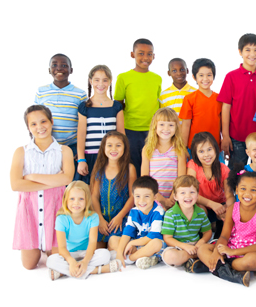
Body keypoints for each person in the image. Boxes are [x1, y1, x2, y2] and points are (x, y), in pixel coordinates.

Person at [11, 105, 74, 270]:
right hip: (30, 213)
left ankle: (48, 247)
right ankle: (39, 246)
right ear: (29, 128)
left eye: (43, 121)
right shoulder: (21, 152)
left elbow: (67, 178)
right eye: (33, 124)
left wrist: (31, 177)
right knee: (29, 265)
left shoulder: (64, 151)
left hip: (55, 212)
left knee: (55, 263)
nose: (39, 127)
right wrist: (55, 180)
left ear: (51, 122)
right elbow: (16, 184)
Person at [196, 164, 256, 286]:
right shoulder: (232, 208)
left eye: (253, 190)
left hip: (253, 249)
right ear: (236, 190)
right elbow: (224, 236)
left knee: (254, 261)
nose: (247, 194)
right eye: (243, 189)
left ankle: (217, 266)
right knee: (203, 249)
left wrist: (233, 253)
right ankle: (226, 270)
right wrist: (216, 252)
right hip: (234, 244)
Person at [219, 33, 256, 169]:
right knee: (235, 174)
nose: (252, 54)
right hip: (237, 137)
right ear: (240, 52)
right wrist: (225, 136)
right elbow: (225, 107)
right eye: (247, 50)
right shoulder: (231, 77)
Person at [46, 181, 121, 280]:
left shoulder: (93, 217)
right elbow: (62, 248)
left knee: (105, 254)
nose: (76, 203)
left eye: (81, 199)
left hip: (87, 253)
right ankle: (99, 270)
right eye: (72, 199)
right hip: (70, 254)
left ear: (87, 201)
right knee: (51, 260)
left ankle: (64, 273)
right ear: (66, 200)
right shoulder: (61, 219)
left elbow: (92, 243)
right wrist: (72, 262)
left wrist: (85, 262)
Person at [114, 38, 162, 177]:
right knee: (133, 167)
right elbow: (118, 105)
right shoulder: (123, 77)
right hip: (130, 130)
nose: (145, 57)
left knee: (151, 166)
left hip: (152, 130)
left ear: (154, 56)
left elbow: (158, 103)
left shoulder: (157, 78)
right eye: (141, 53)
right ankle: (134, 197)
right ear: (132, 54)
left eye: (149, 54)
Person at [34, 53, 87, 168]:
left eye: (64, 65)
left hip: (71, 146)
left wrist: (81, 150)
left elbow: (84, 123)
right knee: (51, 181)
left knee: (71, 182)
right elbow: (34, 119)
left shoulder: (80, 94)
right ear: (49, 70)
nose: (59, 68)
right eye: (54, 65)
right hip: (47, 145)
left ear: (71, 70)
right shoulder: (41, 92)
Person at [76, 65, 124, 184]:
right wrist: (81, 159)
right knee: (91, 190)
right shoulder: (85, 107)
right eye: (97, 80)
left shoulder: (116, 107)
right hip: (91, 156)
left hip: (112, 157)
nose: (100, 84)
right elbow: (81, 135)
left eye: (105, 80)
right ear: (91, 81)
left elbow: (121, 134)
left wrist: (122, 157)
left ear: (110, 81)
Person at [90, 131, 137, 250]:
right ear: (104, 148)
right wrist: (100, 219)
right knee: (94, 250)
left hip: (121, 220)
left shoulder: (129, 169)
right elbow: (94, 196)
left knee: (114, 244)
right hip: (102, 220)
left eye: (118, 145)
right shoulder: (99, 169)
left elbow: (133, 196)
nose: (113, 149)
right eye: (109, 145)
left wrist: (120, 217)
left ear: (125, 148)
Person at [187, 132, 234, 238]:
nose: (206, 155)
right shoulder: (192, 165)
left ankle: (220, 236)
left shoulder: (223, 168)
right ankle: (200, 236)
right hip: (201, 204)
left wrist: (227, 207)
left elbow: (230, 195)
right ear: (195, 153)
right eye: (201, 151)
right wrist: (212, 204)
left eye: (209, 149)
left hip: (219, 206)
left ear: (216, 149)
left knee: (228, 211)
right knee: (200, 210)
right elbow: (190, 193)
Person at [161, 175, 212, 269]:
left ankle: (196, 257)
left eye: (192, 192)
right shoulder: (170, 214)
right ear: (175, 196)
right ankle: (194, 257)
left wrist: (201, 242)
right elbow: (167, 238)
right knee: (169, 256)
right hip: (179, 246)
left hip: (197, 244)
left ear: (197, 195)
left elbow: (207, 231)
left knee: (217, 246)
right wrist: (185, 247)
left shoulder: (200, 212)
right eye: (183, 193)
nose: (188, 196)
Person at [141, 107, 187, 209]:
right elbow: (145, 179)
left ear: (176, 128)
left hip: (174, 198)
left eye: (170, 125)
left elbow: (181, 178)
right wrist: (161, 199)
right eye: (162, 124)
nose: (166, 129)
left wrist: (171, 199)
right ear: (155, 127)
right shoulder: (147, 149)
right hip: (153, 198)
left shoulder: (179, 150)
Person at [116, 176, 165, 270]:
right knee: (114, 240)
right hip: (139, 244)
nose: (141, 201)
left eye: (146, 196)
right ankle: (142, 257)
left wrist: (132, 243)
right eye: (137, 196)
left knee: (156, 243)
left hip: (152, 244)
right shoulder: (134, 211)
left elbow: (153, 236)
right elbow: (127, 232)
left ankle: (131, 258)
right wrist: (119, 253)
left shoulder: (158, 212)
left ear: (155, 197)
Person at [180, 58, 224, 163]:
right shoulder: (189, 99)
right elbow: (185, 125)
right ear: (194, 77)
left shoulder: (220, 99)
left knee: (219, 175)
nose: (205, 78)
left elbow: (222, 124)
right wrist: (183, 148)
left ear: (214, 76)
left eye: (209, 75)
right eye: (201, 75)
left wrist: (224, 140)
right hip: (194, 148)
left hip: (215, 148)